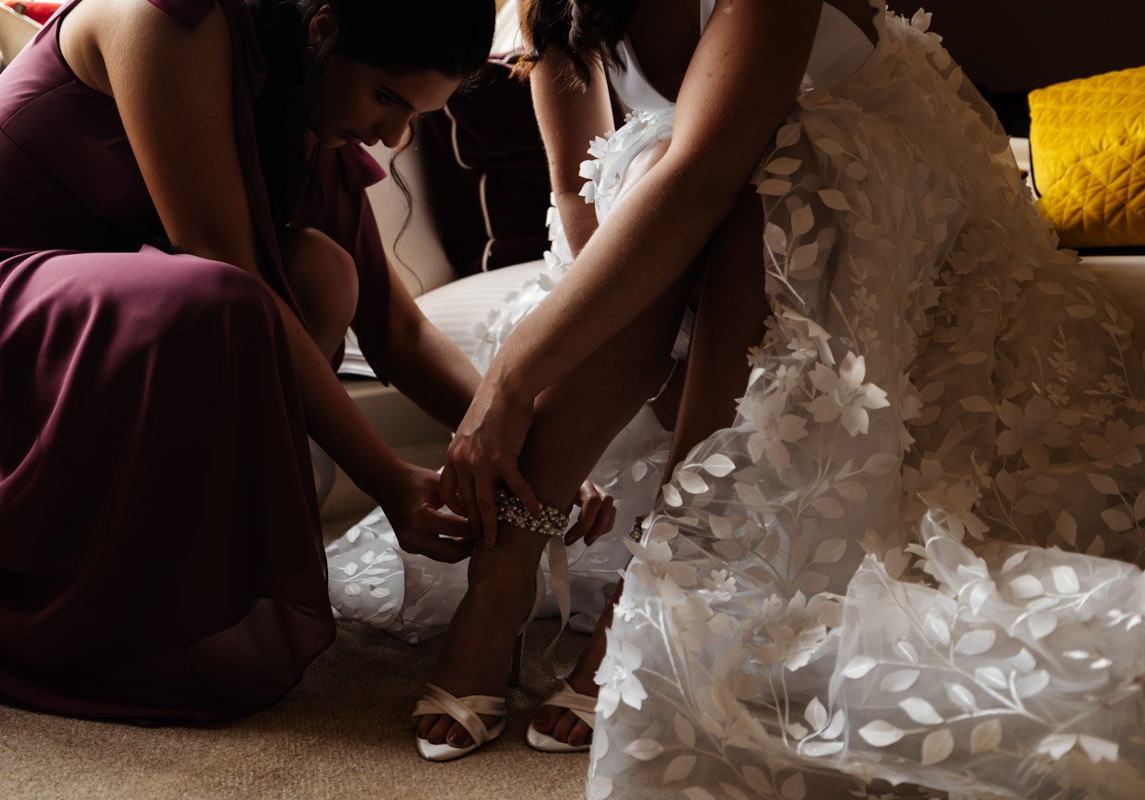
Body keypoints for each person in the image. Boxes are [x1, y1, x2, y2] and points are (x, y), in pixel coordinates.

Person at [423, 0, 1145, 795]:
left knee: (775, 156)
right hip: (696, 246)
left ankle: (664, 579)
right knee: (650, 180)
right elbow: (575, 198)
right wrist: (645, 341)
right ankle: (505, 573)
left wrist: (508, 381)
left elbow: (705, 173)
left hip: (871, 227)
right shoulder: (557, 9)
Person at [0, 0, 513, 722]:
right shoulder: (166, 19)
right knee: (218, 299)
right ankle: (53, 601)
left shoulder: (304, 96)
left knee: (322, 275)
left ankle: (149, 586)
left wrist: (509, 445)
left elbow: (396, 329)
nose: (392, 136)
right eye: (386, 99)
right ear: (324, 29)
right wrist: (389, 480)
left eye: (416, 118)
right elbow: (224, 268)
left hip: (88, 322)